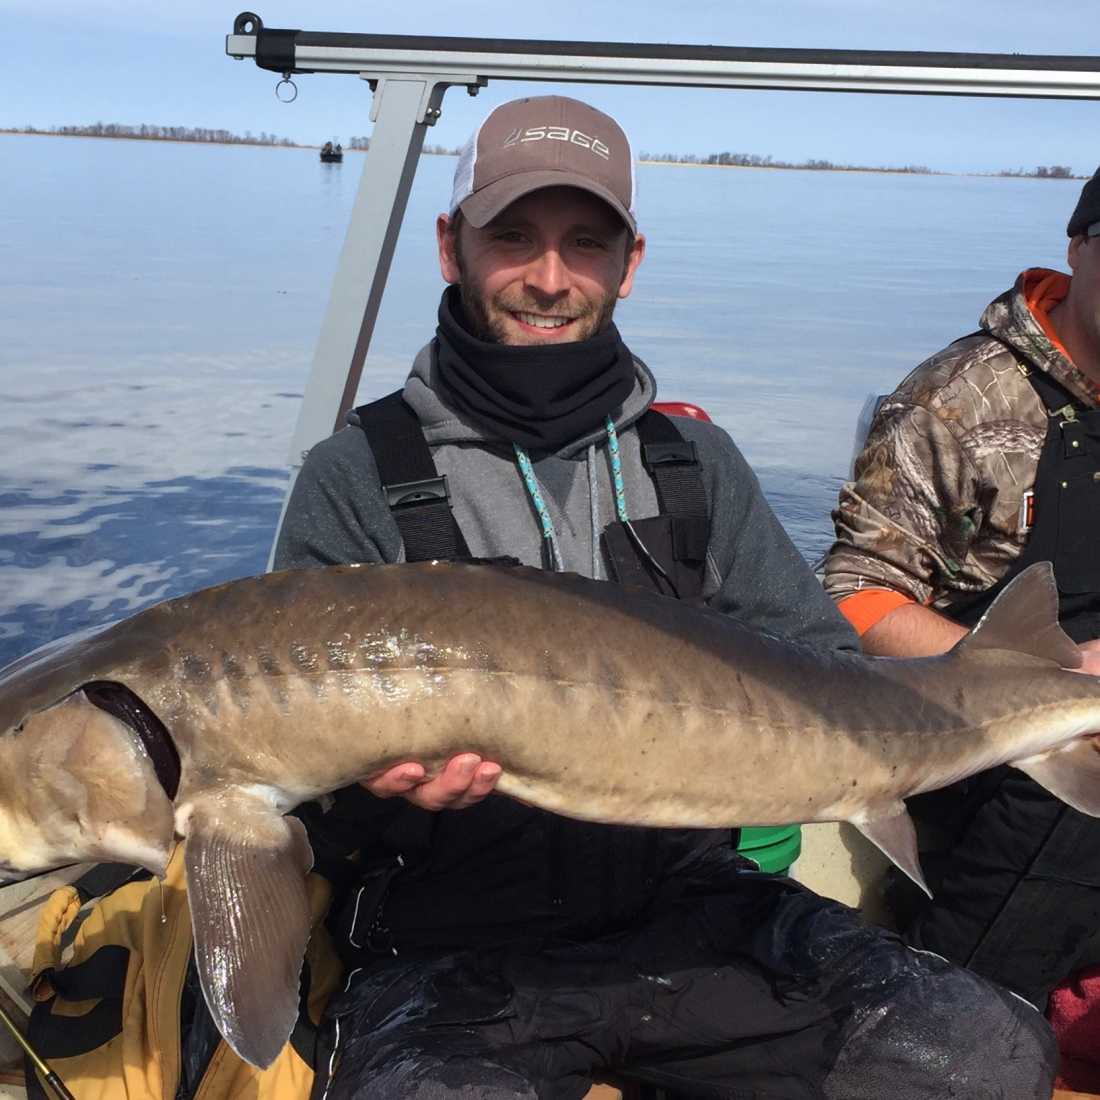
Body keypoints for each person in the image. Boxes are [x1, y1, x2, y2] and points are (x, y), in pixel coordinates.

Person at [275, 95, 1055, 1099]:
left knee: (982, 1050)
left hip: (692, 906)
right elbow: (291, 754)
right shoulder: (356, 471)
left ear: (628, 262)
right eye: (511, 237)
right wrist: (367, 778)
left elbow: (817, 651)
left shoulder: (690, 465)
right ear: (448, 245)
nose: (547, 278)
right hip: (447, 938)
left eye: (582, 244)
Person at [824, 168, 1100, 1012]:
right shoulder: (959, 403)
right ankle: (949, 1019)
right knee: (961, 1021)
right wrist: (1046, 685)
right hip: (984, 750)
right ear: (1080, 248)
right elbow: (853, 594)